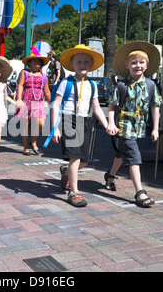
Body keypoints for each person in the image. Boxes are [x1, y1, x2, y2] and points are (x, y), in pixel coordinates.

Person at [48, 44, 109, 207]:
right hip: (69, 120)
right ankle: (74, 191)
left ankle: (66, 172)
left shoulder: (93, 85)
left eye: (86, 62)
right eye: (79, 62)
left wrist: (107, 124)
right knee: (74, 158)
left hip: (84, 122)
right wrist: (55, 128)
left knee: (85, 160)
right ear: (72, 64)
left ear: (90, 65)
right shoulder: (65, 82)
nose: (82, 65)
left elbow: (96, 108)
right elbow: (55, 105)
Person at [106, 41, 162, 208]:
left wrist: (155, 128)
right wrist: (110, 123)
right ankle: (140, 191)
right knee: (134, 157)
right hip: (124, 127)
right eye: (134, 63)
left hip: (139, 128)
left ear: (147, 65)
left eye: (141, 62)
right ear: (127, 65)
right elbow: (111, 106)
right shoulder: (121, 86)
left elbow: (155, 107)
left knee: (123, 154)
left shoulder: (152, 86)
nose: (138, 65)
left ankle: (110, 176)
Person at [15, 47, 51, 156]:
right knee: (26, 125)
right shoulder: (24, 73)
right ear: (30, 63)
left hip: (38, 102)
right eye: (34, 60)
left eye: (39, 61)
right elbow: (20, 85)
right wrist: (19, 99)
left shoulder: (44, 76)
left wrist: (52, 103)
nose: (37, 62)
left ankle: (33, 141)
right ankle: (26, 147)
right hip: (26, 101)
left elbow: (47, 91)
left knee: (40, 123)